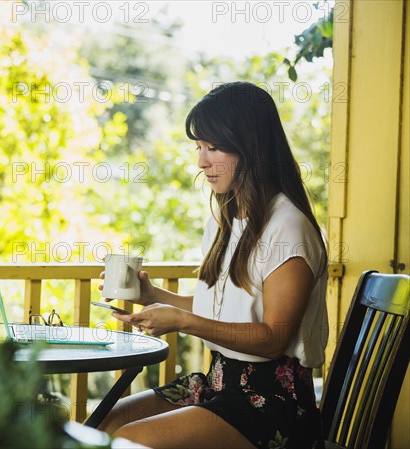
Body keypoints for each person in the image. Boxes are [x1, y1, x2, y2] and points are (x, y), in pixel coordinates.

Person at [97, 81, 328, 449]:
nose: (201, 161)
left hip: (272, 406)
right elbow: (222, 312)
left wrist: (184, 323)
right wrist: (151, 295)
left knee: (128, 442)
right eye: (199, 147)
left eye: (214, 147)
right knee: (102, 426)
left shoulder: (288, 227)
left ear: (251, 147)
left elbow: (273, 339)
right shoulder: (229, 219)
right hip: (219, 384)